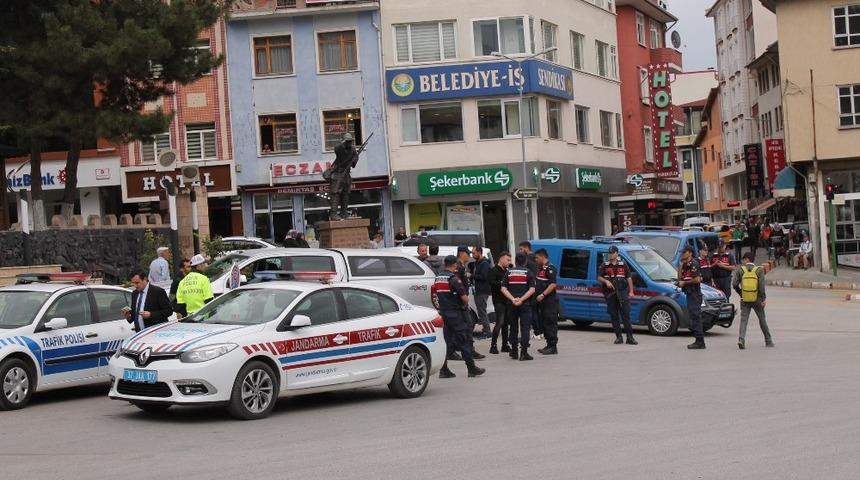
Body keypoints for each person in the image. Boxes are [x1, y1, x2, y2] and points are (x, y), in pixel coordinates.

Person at [436, 255, 485, 379]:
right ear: (454, 265)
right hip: (455, 313)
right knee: (464, 340)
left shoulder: (438, 278)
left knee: (447, 342)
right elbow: (464, 298)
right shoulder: (454, 279)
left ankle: (444, 369)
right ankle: (471, 368)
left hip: (443, 313)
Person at [597, 245, 637, 345]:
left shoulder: (623, 264)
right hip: (610, 294)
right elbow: (599, 277)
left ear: (617, 253)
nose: (611, 255)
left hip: (622, 292)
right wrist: (606, 281)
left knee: (626, 314)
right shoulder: (604, 265)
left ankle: (630, 337)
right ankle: (618, 337)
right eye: (610, 253)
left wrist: (631, 291)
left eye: (613, 253)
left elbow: (629, 278)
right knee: (614, 315)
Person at [733, 252, 774, 349]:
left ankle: (741, 339)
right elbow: (761, 286)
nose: (743, 262)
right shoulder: (759, 270)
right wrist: (763, 298)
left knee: (744, 320)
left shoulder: (740, 270)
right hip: (757, 299)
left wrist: (741, 293)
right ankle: (768, 340)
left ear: (746, 259)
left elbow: (734, 284)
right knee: (762, 319)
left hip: (745, 298)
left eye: (743, 260)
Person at [501, 252, 536, 361]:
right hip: (525, 304)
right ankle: (524, 352)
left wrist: (512, 299)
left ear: (515, 261)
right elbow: (532, 289)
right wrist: (521, 299)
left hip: (511, 305)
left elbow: (503, 288)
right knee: (525, 328)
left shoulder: (509, 273)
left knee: (513, 328)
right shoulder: (529, 273)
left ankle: (514, 351)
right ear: (525, 261)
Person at [455, 246, 485, 360]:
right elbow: (459, 285)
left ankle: (461, 349)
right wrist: (463, 298)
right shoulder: (459, 267)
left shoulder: (461, 266)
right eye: (468, 253)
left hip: (461, 302)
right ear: (462, 253)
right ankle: (468, 351)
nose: (469, 256)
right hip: (461, 302)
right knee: (467, 325)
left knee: (464, 326)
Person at [534, 248, 561, 354]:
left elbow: (553, 284)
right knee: (545, 323)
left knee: (550, 323)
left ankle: (553, 347)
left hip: (550, 301)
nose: (536, 260)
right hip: (543, 302)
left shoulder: (550, 268)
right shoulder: (541, 269)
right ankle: (548, 344)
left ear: (542, 256)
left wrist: (543, 294)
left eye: (537, 257)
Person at [678, 246, 705, 349]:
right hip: (689, 294)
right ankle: (698, 340)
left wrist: (685, 282)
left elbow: (697, 279)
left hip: (695, 294)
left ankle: (700, 342)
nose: (682, 254)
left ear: (690, 253)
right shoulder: (685, 264)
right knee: (693, 317)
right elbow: (680, 278)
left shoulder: (694, 264)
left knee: (696, 318)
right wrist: (680, 266)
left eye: (684, 252)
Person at [328, 133, 359, 220]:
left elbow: (356, 157)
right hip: (337, 173)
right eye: (347, 141)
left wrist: (354, 160)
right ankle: (333, 214)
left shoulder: (352, 149)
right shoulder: (339, 148)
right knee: (335, 194)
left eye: (350, 141)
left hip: (346, 174)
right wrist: (343, 142)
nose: (349, 143)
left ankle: (344, 213)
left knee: (346, 193)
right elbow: (337, 149)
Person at [488, 252, 512, 355]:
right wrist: (503, 283)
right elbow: (492, 283)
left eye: (510, 260)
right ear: (501, 259)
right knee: (500, 322)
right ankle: (493, 346)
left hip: (506, 300)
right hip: (498, 301)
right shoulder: (494, 270)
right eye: (507, 260)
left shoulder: (506, 271)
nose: (509, 262)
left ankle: (505, 345)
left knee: (506, 324)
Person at [517, 241, 541, 338]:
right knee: (536, 310)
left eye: (521, 249)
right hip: (537, 286)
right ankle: (539, 332)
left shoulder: (528, 260)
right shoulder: (536, 258)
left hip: (530, 287)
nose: (520, 251)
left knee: (532, 310)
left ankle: (537, 332)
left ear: (526, 248)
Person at [471, 247, 492, 339]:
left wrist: (472, 275)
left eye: (474, 253)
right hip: (478, 290)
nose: (472, 255)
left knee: (482, 312)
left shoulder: (484, 264)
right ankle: (485, 329)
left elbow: (484, 276)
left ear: (479, 252)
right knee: (480, 311)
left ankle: (488, 333)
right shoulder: (477, 263)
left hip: (483, 291)